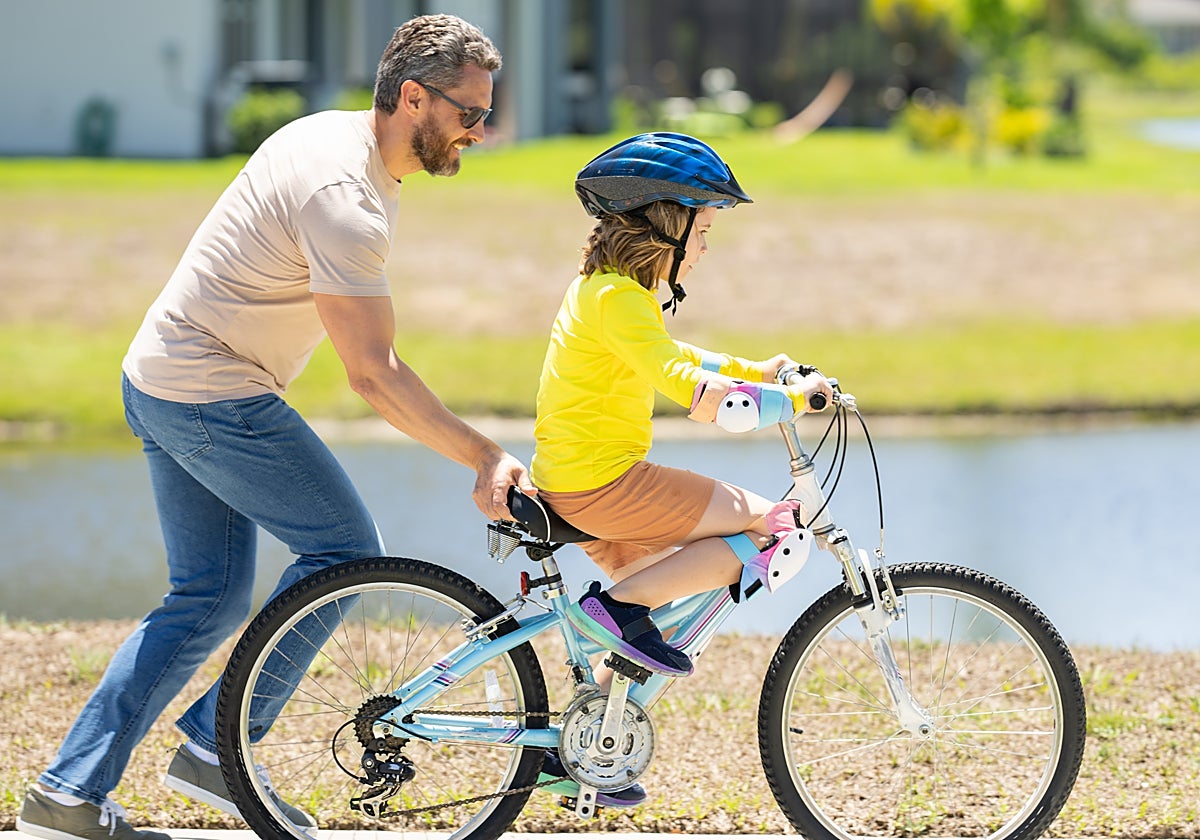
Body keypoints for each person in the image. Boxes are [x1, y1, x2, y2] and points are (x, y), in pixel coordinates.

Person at [18, 14, 534, 840]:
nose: (482, 130)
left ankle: (67, 796)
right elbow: (373, 373)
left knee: (207, 598)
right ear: (412, 97)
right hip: (209, 390)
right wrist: (483, 455)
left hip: (159, 376)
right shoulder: (345, 201)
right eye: (469, 113)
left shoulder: (335, 141)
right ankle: (217, 753)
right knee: (346, 553)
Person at [533, 131, 833, 679]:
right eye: (704, 231)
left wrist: (757, 371)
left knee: (662, 614)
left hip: (578, 479)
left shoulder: (608, 290)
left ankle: (578, 751)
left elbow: (675, 355)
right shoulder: (620, 300)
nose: (704, 249)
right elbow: (693, 388)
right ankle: (615, 607)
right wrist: (791, 399)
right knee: (778, 529)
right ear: (668, 227)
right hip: (604, 484)